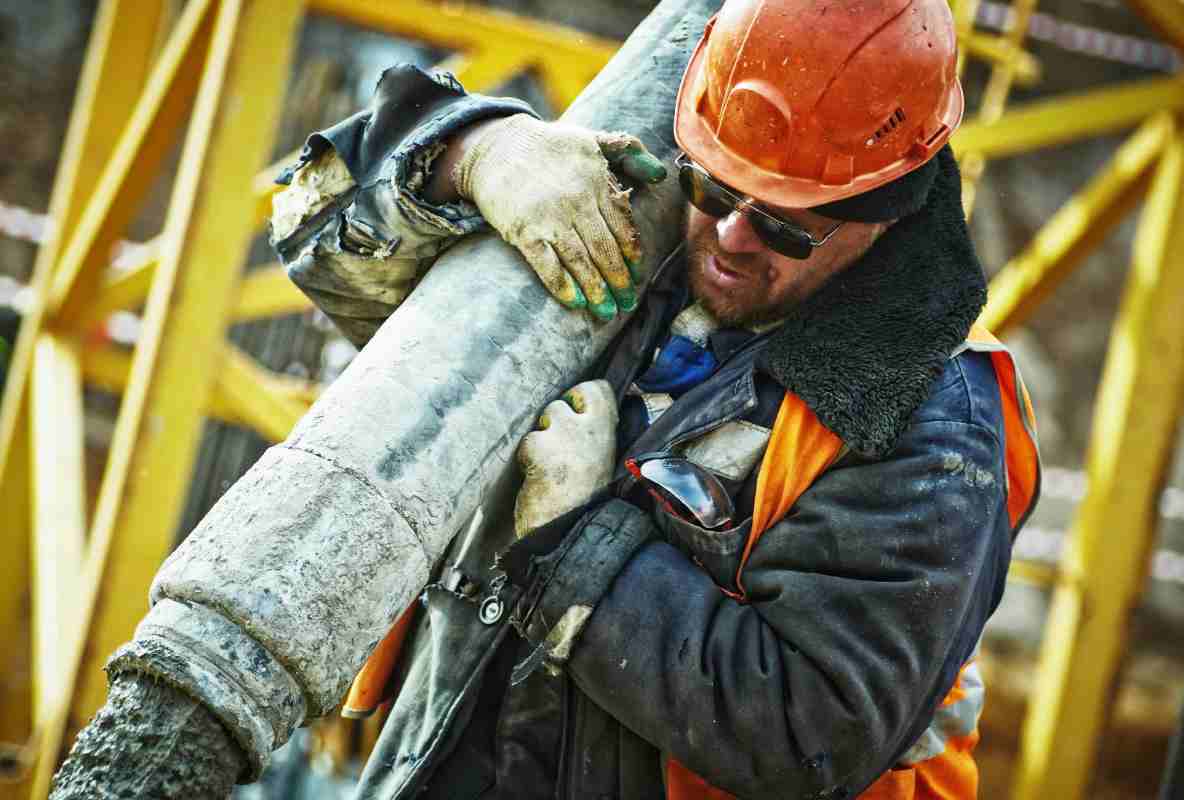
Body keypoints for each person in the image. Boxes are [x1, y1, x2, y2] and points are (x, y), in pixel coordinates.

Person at [270, 1, 1041, 798]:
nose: (732, 238)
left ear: (886, 210)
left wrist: (572, 541)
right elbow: (313, 234)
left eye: (784, 227)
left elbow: (809, 733)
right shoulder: (638, 223)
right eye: (715, 187)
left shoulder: (932, 425)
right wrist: (467, 153)